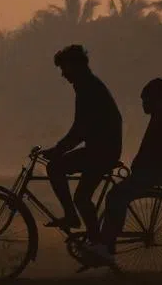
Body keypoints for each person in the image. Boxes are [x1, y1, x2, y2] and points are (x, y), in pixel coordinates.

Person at [41, 45, 123, 248]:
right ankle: (94, 240)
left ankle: (83, 228)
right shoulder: (88, 86)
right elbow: (80, 129)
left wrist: (58, 150)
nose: (63, 74)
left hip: (102, 152)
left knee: (59, 172)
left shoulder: (89, 88)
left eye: (64, 69)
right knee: (80, 195)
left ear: (75, 66)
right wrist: (60, 148)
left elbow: (80, 129)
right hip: (100, 149)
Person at [93, 77, 162, 262]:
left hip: (151, 174)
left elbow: (159, 153)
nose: (143, 104)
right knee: (118, 194)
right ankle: (107, 243)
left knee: (115, 196)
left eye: (145, 100)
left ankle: (108, 244)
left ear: (155, 99)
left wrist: (142, 169)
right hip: (151, 172)